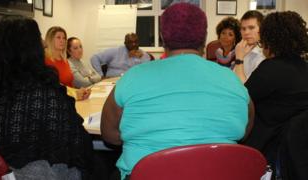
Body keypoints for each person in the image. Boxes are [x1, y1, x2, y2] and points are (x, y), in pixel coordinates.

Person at [100, 3, 254, 179]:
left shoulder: (132, 77)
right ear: (204, 38)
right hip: (216, 173)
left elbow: (111, 136)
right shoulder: (232, 79)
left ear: (162, 37)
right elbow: (246, 129)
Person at [0, 15, 98, 179]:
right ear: (30, 48)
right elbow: (80, 145)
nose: (44, 43)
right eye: (39, 38)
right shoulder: (46, 95)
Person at [241, 11, 308, 179]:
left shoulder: (270, 69)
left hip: (268, 152)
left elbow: (242, 100)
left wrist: (239, 61)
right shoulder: (305, 68)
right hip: (298, 155)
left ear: (269, 38)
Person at [44, 26, 91, 100]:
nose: (62, 40)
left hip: (70, 101)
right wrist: (75, 94)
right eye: (58, 37)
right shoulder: (45, 61)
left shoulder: (65, 60)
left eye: (64, 38)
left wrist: (81, 93)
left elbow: (69, 85)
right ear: (50, 39)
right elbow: (52, 89)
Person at [233, 10, 265, 82]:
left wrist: (239, 59)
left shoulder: (264, 55)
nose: (246, 32)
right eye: (243, 29)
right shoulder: (243, 49)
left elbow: (245, 88)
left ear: (262, 29)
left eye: (251, 28)